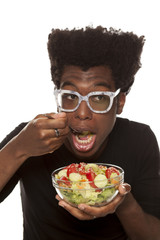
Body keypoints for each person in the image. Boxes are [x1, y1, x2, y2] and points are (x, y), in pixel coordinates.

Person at [0, 26, 160, 240]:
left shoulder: (140, 140)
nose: (82, 113)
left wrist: (123, 201)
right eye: (71, 96)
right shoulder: (29, 138)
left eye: (98, 97)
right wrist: (18, 149)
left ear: (119, 102)